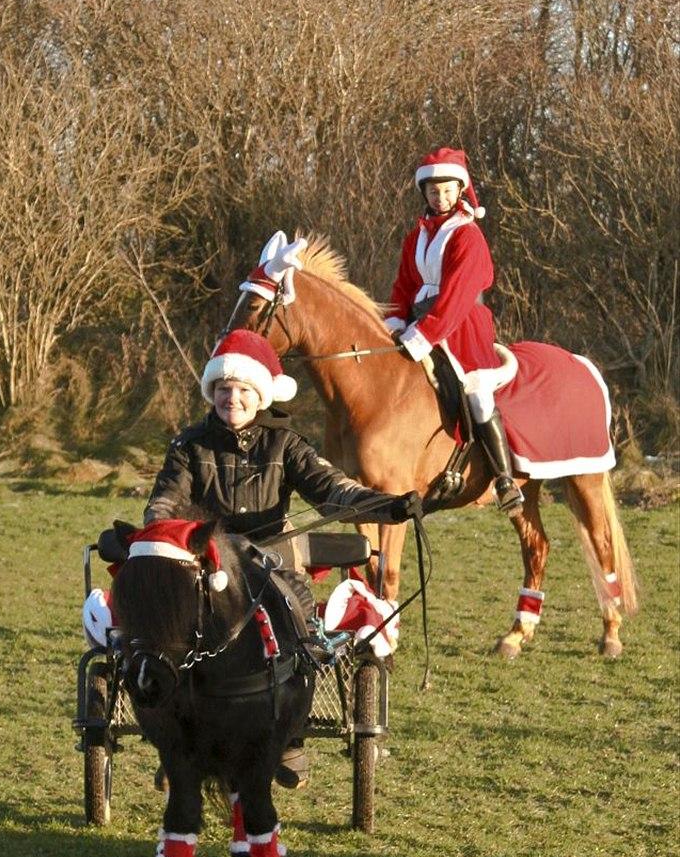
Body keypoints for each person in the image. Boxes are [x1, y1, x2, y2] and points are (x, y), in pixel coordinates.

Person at [144, 327, 422, 787]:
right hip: (208, 560)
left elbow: (333, 490)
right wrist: (162, 534)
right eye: (223, 390)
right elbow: (165, 503)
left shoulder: (287, 444)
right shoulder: (189, 446)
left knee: (300, 638)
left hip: (273, 560)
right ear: (212, 392)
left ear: (261, 395)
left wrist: (387, 505)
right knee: (179, 639)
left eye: (243, 390)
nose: (231, 399)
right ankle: (181, 743)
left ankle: (290, 740)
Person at [385, 146, 524, 517]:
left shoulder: (467, 236)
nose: (440, 196)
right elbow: (403, 285)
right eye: (433, 191)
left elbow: (458, 295)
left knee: (476, 392)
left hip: (461, 326)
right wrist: (397, 321)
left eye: (447, 190)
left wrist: (424, 334)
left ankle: (504, 479)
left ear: (459, 189)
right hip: (421, 322)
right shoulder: (416, 236)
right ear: (425, 193)